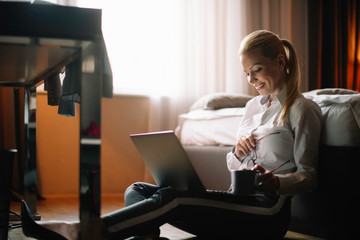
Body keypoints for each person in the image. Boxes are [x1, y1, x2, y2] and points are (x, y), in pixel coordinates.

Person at [20, 30, 322, 240]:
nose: (251, 80)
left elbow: (308, 176)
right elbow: (232, 164)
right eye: (246, 74)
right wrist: (238, 153)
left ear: (280, 62)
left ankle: (81, 232)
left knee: (173, 199)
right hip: (236, 202)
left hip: (267, 212)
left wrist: (277, 182)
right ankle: (147, 236)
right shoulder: (251, 107)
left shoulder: (301, 109)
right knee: (137, 189)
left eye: (256, 70)